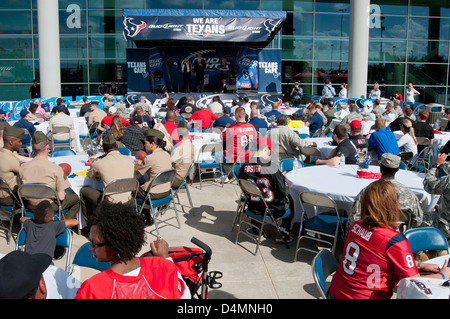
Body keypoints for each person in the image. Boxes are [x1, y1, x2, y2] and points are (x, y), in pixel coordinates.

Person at [329, 178, 450, 299]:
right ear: (393, 205)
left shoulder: (356, 226)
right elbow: (414, 283)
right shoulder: (393, 240)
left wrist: (418, 265)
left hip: (337, 291)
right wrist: (443, 275)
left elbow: (373, 259)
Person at [75, 201, 190, 299]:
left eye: (94, 243)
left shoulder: (92, 289)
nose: (90, 247)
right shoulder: (163, 265)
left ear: (115, 245)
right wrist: (165, 259)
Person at [346, 153, 424, 236]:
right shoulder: (408, 194)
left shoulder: (369, 190)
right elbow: (417, 220)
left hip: (372, 237)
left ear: (380, 169)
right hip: (397, 237)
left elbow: (353, 218)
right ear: (397, 170)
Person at [238, 137, 294, 243]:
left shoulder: (243, 168)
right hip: (271, 208)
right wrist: (280, 178)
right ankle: (283, 233)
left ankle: (256, 229)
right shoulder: (272, 167)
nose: (269, 154)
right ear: (265, 149)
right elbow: (282, 191)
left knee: (255, 192)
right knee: (291, 199)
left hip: (253, 206)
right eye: (269, 151)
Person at [19, 132, 80, 220]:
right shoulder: (55, 169)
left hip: (31, 205)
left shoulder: (22, 168)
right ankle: (63, 225)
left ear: (33, 148)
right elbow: (61, 197)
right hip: (49, 206)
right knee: (77, 198)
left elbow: (21, 192)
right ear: (47, 146)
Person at [79, 133, 135, 226]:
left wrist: (95, 164)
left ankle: (89, 225)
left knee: (83, 191)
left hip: (111, 202)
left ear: (103, 149)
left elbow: (90, 175)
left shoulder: (100, 163)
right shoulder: (129, 160)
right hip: (128, 199)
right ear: (116, 146)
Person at [135, 128, 172, 204]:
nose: (144, 145)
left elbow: (136, 172)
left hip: (152, 193)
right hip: (166, 190)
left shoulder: (150, 158)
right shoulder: (167, 154)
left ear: (152, 144)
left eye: (146, 143)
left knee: (129, 188)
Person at [422, 153, 450, 241]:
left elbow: (429, 185)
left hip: (446, 225)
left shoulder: (448, 181)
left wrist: (436, 166)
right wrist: (444, 164)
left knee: (417, 217)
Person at [0, 126, 30, 206]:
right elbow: (27, 172)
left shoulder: (3, 153)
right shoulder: (9, 159)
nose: (21, 144)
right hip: (9, 197)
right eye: (19, 141)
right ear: (11, 142)